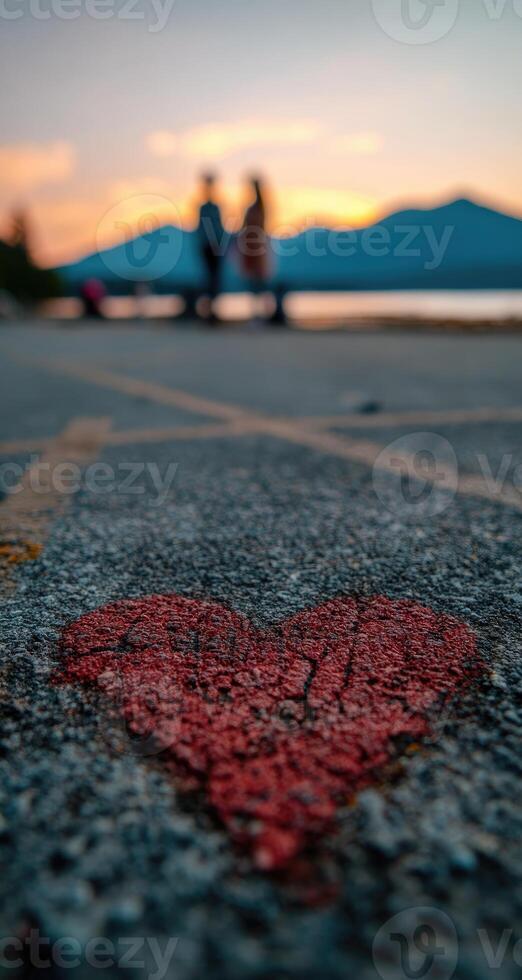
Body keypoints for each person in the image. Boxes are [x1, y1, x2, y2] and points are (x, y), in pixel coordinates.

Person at [197, 174, 225, 321]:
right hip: (208, 247)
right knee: (210, 279)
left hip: (215, 248)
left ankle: (211, 312)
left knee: (214, 280)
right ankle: (208, 312)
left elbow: (218, 227)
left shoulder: (214, 208)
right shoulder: (204, 208)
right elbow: (202, 228)